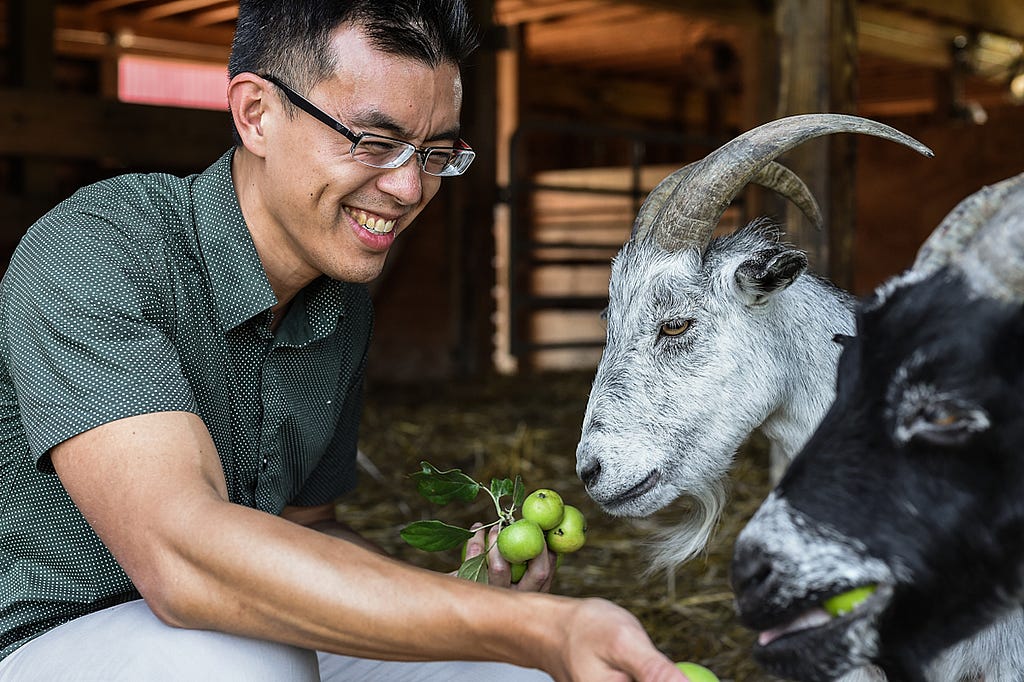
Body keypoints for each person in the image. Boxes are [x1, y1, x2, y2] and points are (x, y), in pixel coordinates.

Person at [0, 1, 687, 680]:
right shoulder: (97, 250)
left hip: (234, 622)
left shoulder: (341, 307)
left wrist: (459, 604)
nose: (409, 186)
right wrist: (534, 626)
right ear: (256, 114)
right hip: (47, 639)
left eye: (436, 152)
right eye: (375, 141)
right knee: (238, 659)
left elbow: (306, 526)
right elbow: (182, 559)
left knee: (508, 676)